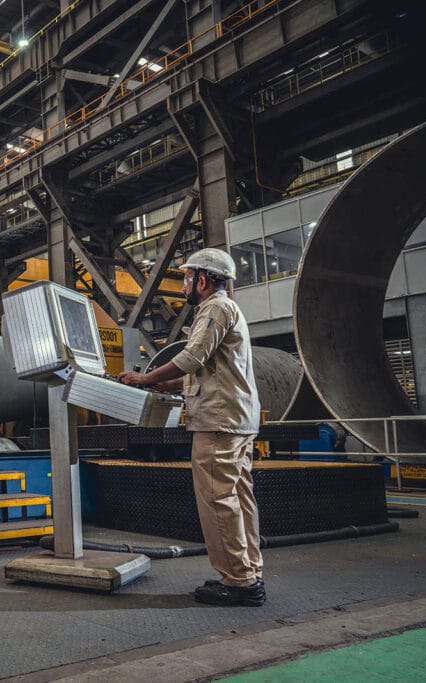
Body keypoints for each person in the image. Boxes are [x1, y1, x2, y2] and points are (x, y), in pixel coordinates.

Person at [117, 248, 264, 607]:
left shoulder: (215, 308)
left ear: (202, 280)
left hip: (219, 421)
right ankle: (248, 571)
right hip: (236, 419)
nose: (183, 284)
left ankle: (239, 582)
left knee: (218, 500)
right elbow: (209, 370)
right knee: (238, 498)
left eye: (187, 276)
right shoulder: (226, 309)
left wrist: (145, 377)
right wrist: (165, 384)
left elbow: (192, 356)